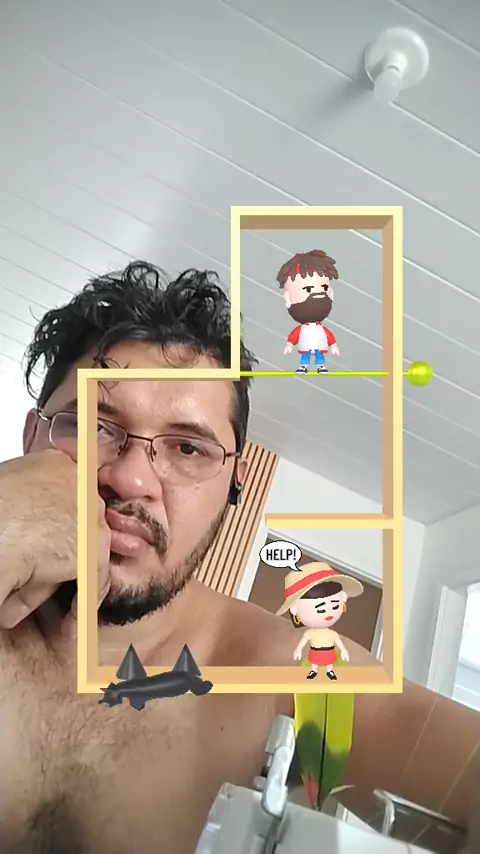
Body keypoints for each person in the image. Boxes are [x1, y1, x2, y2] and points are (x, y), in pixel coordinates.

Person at [0, 261, 374, 854]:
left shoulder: (293, 674)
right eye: (95, 424)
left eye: (189, 448)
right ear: (32, 438)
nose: (129, 478)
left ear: (233, 485)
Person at [276, 562, 364, 680]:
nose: (328, 613)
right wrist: (298, 650)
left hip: (329, 653)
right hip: (314, 654)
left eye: (335, 606)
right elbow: (303, 641)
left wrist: (343, 650)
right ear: (295, 609)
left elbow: (337, 641)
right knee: (314, 664)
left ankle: (329, 672)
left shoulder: (334, 637)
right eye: (321, 609)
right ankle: (314, 671)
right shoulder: (301, 636)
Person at [278, 249, 341, 374]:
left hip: (319, 344)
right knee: (306, 355)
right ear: (288, 298)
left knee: (319, 355)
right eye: (307, 289)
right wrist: (290, 343)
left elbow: (329, 336)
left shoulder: (320, 329)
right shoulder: (303, 329)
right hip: (306, 344)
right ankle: (304, 366)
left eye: (324, 287)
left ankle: (320, 366)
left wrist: (333, 345)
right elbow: (295, 335)